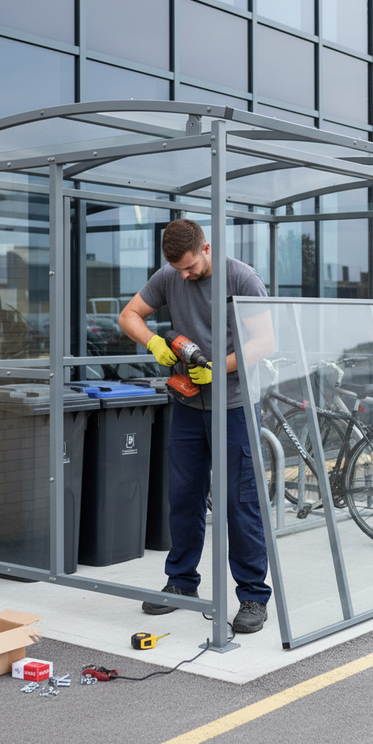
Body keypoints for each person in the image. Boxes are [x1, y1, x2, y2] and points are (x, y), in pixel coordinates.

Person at [118, 218, 272, 634]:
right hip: (188, 406)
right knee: (183, 496)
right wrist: (151, 341)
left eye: (190, 268)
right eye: (178, 270)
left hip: (236, 406)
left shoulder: (241, 277)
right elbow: (129, 315)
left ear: (206, 248)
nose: (184, 276)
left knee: (239, 502)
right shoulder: (169, 275)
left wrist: (218, 370)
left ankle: (253, 596)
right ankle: (181, 584)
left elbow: (265, 341)